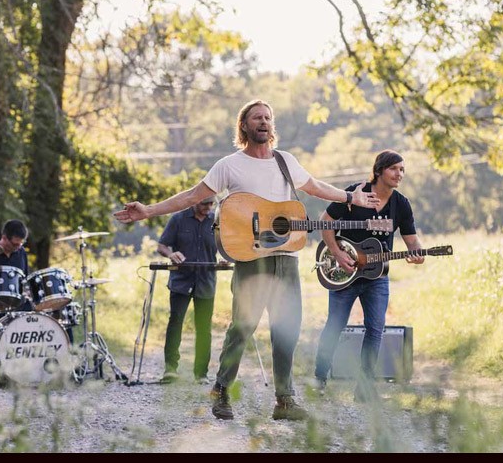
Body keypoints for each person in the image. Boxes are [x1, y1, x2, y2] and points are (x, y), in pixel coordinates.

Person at [114, 99, 380, 421]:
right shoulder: (229, 165)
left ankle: (285, 401)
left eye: (268, 117)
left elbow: (315, 187)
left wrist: (350, 197)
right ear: (244, 125)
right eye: (258, 117)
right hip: (250, 257)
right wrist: (149, 211)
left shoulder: (285, 162)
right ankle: (222, 390)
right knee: (243, 326)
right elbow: (191, 196)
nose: (264, 122)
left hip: (285, 257)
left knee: (287, 328)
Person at [312, 150, 425, 402]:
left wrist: (417, 253)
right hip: (345, 272)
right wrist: (336, 252)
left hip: (377, 275)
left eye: (402, 169)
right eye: (394, 169)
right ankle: (319, 377)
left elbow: (411, 239)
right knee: (335, 325)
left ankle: (364, 386)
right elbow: (325, 221)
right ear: (379, 171)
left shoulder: (401, 204)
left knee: (376, 329)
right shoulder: (356, 192)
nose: (400, 174)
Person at [157, 196, 222, 385]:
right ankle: (170, 370)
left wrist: (226, 257)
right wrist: (171, 254)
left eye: (211, 204)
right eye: (204, 203)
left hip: (206, 280)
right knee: (175, 322)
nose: (208, 208)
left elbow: (227, 246)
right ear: (195, 201)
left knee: (204, 328)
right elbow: (162, 246)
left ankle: (200, 374)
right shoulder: (178, 219)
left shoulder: (217, 221)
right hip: (181, 280)